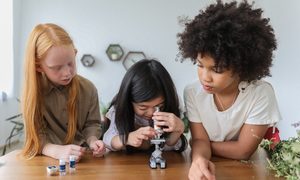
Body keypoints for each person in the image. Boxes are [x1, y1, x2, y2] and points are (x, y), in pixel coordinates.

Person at [177, 1, 281, 179]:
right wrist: (199, 161)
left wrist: (202, 145)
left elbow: (243, 151)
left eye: (216, 70)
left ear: (241, 68)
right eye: (200, 65)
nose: (205, 77)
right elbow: (199, 141)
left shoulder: (261, 94)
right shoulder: (193, 92)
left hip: (248, 171)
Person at [21, 23, 105, 161]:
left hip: (84, 160)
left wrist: (93, 140)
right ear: (38, 66)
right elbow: (35, 136)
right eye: (57, 68)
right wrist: (55, 151)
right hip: (45, 162)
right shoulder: (34, 95)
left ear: (75, 54)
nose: (67, 73)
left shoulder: (88, 89)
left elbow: (92, 124)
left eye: (71, 63)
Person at [103, 59, 187, 153]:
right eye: (143, 107)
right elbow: (108, 140)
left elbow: (170, 143)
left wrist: (179, 129)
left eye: (159, 106)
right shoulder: (120, 109)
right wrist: (127, 138)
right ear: (129, 101)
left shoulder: (172, 105)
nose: (152, 113)